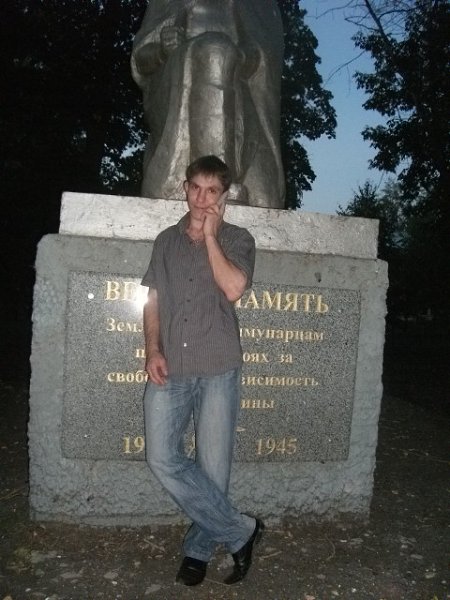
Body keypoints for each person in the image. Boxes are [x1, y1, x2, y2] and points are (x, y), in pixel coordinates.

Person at [141, 155, 263, 586]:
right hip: (171, 367)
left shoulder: (238, 238)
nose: (202, 198)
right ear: (185, 188)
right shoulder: (165, 241)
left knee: (213, 471)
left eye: (212, 191)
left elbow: (233, 288)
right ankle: (241, 530)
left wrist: (211, 236)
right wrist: (152, 349)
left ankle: (197, 550)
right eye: (196, 187)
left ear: (224, 196)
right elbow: (153, 299)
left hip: (218, 369)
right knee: (161, 456)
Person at [131, 0, 285, 208]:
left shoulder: (259, 4)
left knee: (265, 200)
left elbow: (264, 55)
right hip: (178, 90)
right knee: (215, 50)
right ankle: (214, 184)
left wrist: (241, 57)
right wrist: (162, 51)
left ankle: (217, 182)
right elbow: (141, 60)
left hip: (242, 105)